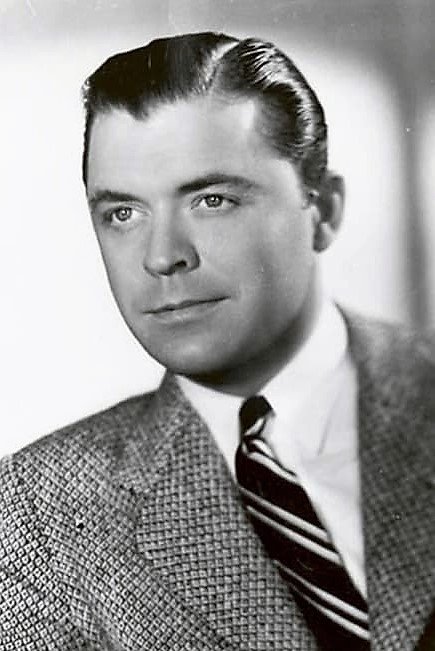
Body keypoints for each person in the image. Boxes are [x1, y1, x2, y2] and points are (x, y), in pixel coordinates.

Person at [1, 31, 434, 651]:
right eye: (123, 213)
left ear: (324, 210)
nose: (161, 256)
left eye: (212, 200)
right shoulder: (36, 512)